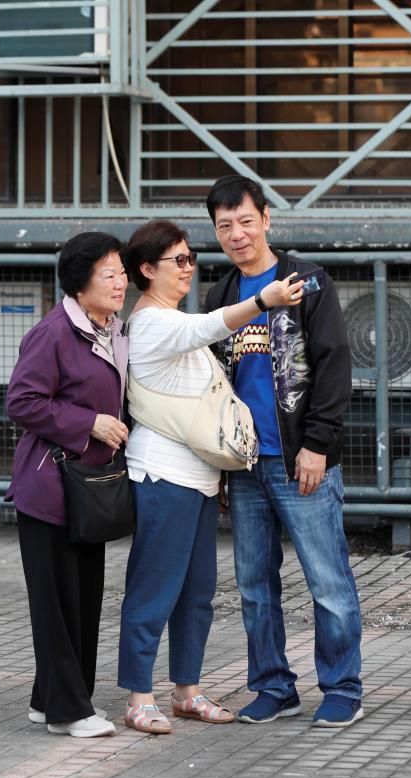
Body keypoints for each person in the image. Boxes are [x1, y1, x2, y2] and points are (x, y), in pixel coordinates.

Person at [118, 220, 302, 733]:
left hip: (199, 478)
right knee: (153, 589)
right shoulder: (152, 323)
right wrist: (262, 301)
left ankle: (187, 691)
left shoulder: (173, 317)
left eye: (190, 258)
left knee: (197, 591)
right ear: (147, 271)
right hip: (162, 475)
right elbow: (210, 327)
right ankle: (139, 696)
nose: (187, 268)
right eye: (176, 260)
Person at [202, 176, 364, 728]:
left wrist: (317, 444)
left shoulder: (309, 282)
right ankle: (273, 685)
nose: (237, 234)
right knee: (252, 584)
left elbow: (335, 365)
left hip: (301, 460)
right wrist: (220, 467)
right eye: (224, 226)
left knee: (327, 580)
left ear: (266, 218)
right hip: (244, 466)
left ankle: (342, 686)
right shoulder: (221, 296)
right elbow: (214, 385)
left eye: (245, 221)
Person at [5, 232, 129, 738]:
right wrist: (90, 423)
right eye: (109, 275)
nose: (122, 282)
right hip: (50, 489)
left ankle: (48, 698)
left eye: (122, 272)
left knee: (82, 598)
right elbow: (23, 402)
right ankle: (69, 710)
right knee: (57, 603)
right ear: (79, 285)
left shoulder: (111, 328)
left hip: (87, 489)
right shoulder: (54, 332)